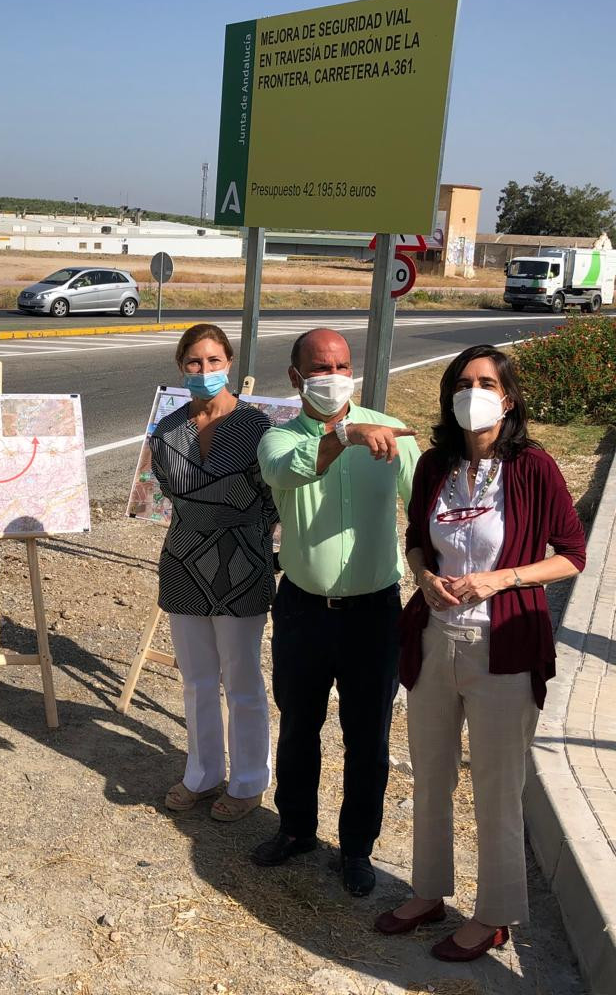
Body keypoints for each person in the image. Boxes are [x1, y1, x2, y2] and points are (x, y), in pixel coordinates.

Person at [375, 345, 585, 961]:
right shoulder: (436, 465)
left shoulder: (534, 467)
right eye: (463, 382)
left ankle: (495, 914)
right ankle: (429, 890)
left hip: (504, 645)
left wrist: (500, 579)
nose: (474, 392)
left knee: (497, 784)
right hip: (436, 640)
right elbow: (417, 539)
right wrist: (423, 577)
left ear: (509, 396)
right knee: (429, 774)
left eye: (487, 382)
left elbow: (572, 553)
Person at [253, 328, 419, 896]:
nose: (334, 376)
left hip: (374, 613)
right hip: (304, 609)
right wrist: (345, 435)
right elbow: (288, 471)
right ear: (296, 377)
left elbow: (424, 503)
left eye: (343, 365)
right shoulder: (278, 439)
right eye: (321, 368)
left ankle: (356, 850)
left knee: (367, 736)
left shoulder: (390, 433)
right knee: (300, 724)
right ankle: (297, 829)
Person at [149, 324, 275, 822]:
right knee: (197, 679)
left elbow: (274, 499)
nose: (205, 371)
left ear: (230, 364)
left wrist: (250, 535)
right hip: (183, 562)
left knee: (242, 677)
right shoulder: (168, 430)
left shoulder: (257, 426)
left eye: (214, 361)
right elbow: (169, 495)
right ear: (182, 366)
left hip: (243, 564)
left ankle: (247, 781)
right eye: (195, 363)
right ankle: (201, 773)